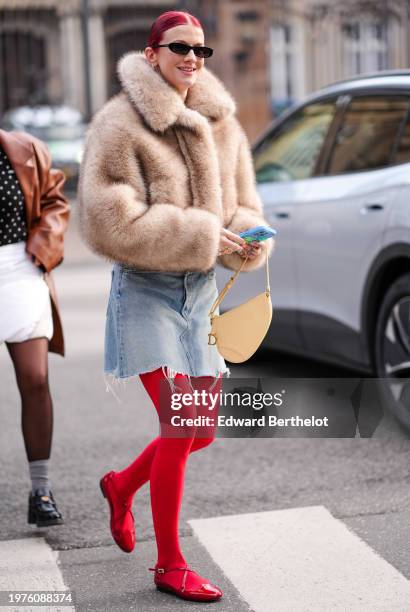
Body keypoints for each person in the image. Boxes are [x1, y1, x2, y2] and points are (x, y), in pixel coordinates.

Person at [78, 10, 274, 603]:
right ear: (153, 52)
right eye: (180, 48)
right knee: (181, 424)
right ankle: (170, 564)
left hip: (201, 297)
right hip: (146, 290)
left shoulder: (223, 123)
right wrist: (197, 234)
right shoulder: (120, 122)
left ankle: (121, 486)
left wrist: (246, 238)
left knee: (201, 432)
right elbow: (107, 220)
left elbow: (242, 205)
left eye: (200, 50)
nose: (192, 57)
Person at [0, 129, 70, 526]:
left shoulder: (24, 149)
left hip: (17, 267)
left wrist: (43, 248)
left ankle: (40, 488)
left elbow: (54, 202)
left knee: (35, 378)